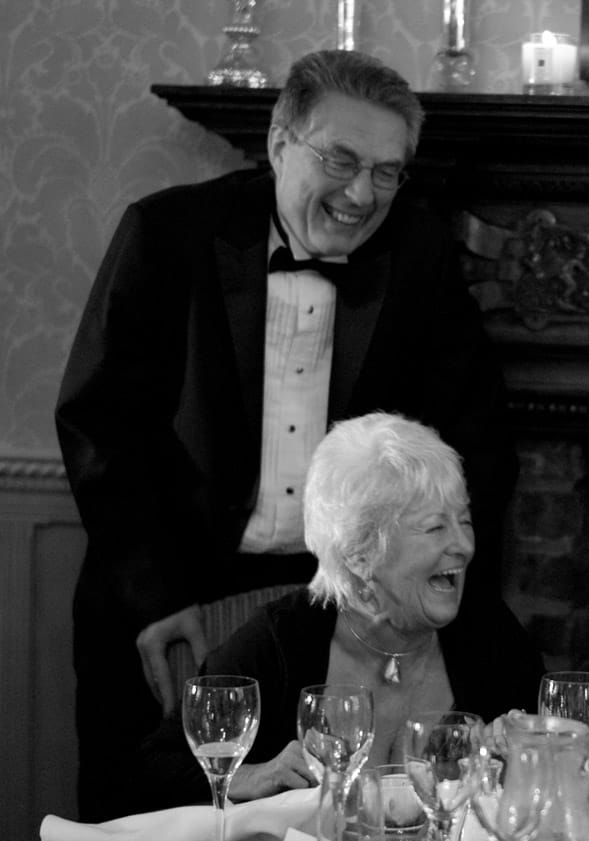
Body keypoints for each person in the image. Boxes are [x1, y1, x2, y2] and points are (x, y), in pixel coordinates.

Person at [55, 50, 516, 819]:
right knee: (146, 812)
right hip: (170, 598)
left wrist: (454, 601)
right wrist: (152, 596)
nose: (363, 193)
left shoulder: (421, 256)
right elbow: (100, 423)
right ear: (277, 142)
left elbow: (475, 438)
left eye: (388, 171)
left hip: (322, 616)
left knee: (331, 817)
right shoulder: (167, 234)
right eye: (340, 159)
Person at [136, 413, 543, 807]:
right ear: (361, 553)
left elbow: (558, 766)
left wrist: (522, 754)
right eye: (436, 528)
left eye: (464, 521)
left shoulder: (489, 633)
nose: (464, 546)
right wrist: (256, 774)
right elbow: (154, 769)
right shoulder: (282, 639)